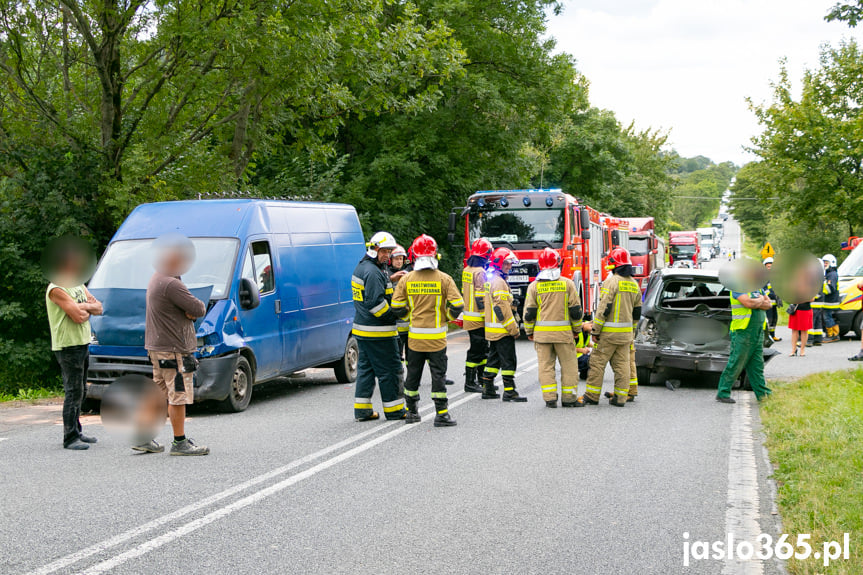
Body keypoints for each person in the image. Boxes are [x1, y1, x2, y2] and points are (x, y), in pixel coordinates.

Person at [143, 233, 209, 455]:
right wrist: (190, 311)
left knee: (160, 394)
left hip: (156, 347)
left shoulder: (157, 278)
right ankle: (179, 442)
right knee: (177, 395)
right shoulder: (171, 284)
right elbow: (199, 308)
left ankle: (143, 438)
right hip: (174, 351)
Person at [391, 234, 464, 427]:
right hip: (437, 340)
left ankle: (412, 413)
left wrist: (410, 317)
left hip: (415, 339)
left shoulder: (406, 279)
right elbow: (458, 305)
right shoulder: (444, 279)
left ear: (413, 255)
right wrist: (445, 318)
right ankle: (441, 415)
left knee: (413, 375)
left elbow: (397, 308)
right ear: (435, 254)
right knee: (438, 376)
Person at [45, 239, 103, 450]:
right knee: (73, 390)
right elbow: (78, 316)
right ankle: (69, 437)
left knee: (81, 390)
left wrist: (83, 306)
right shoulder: (56, 287)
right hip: (67, 345)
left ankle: (78, 430)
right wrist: (85, 308)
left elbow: (99, 308)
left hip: (82, 342)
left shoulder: (77, 283)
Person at [351, 231, 405, 422]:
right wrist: (396, 315)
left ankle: (362, 411)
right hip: (379, 332)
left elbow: (372, 288)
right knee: (390, 370)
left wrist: (391, 279)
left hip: (363, 331)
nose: (387, 255)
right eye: (384, 251)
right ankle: (395, 411)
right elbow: (376, 305)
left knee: (366, 370)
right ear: (374, 249)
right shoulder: (373, 272)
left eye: (389, 252)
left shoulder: (364, 267)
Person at [523, 248, 584, 408]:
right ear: (558, 263)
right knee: (569, 366)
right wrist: (577, 330)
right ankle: (569, 399)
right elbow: (576, 312)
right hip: (564, 335)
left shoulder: (534, 287)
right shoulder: (568, 284)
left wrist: (529, 331)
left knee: (545, 367)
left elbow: (529, 313)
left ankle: (550, 399)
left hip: (542, 337)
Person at [584, 248, 641, 407]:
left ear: (615, 265)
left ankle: (592, 396)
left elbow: (604, 308)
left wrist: (595, 330)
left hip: (608, 335)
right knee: (622, 367)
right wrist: (631, 331)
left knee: (597, 364)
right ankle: (620, 398)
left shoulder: (612, 282)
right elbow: (637, 313)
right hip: (625, 336)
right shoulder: (634, 284)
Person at [480, 247, 527, 402]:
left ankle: (487, 386)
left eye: (510, 263)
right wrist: (513, 329)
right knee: (508, 360)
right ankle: (509, 391)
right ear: (499, 263)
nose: (509, 266)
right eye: (506, 263)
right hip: (502, 329)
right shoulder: (499, 282)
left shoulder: (493, 279)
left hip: (494, 329)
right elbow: (502, 309)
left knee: (493, 359)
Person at [716, 282, 773, 403]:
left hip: (757, 332)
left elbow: (769, 305)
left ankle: (763, 394)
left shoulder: (757, 288)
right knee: (736, 362)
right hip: (743, 331)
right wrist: (761, 300)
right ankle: (723, 392)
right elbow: (748, 303)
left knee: (757, 365)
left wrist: (758, 301)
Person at [460, 238, 493, 393]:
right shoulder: (480, 272)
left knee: (481, 349)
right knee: (477, 351)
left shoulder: (467, 270)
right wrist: (486, 315)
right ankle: (471, 382)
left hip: (469, 316)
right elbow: (480, 296)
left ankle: (481, 379)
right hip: (478, 318)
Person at [389, 245, 411, 364]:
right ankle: (398, 378)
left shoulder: (409, 275)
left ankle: (410, 381)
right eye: (396, 258)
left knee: (411, 356)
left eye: (401, 259)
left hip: (408, 324)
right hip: (394, 324)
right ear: (390, 260)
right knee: (396, 355)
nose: (399, 261)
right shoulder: (386, 275)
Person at [822, 254, 841, 343]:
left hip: (830, 301)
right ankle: (834, 334)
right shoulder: (829, 274)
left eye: (826, 263)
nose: (825, 264)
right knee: (828, 317)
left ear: (832, 263)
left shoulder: (832, 274)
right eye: (824, 263)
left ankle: (832, 335)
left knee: (827, 317)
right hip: (829, 300)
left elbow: (830, 289)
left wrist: (821, 290)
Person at [762, 257, 782, 342]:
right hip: (767, 302)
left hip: (774, 303)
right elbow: (764, 290)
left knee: (774, 319)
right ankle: (767, 337)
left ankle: (772, 335)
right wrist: (772, 294)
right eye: (768, 266)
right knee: (768, 320)